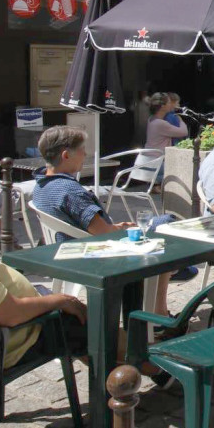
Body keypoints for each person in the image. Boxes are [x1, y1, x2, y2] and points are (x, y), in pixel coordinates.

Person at [31, 126, 176, 316]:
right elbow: (104, 234)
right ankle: (158, 315)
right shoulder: (70, 191)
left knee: (159, 227)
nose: (85, 154)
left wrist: (117, 226)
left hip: (68, 250)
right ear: (66, 155)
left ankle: (163, 296)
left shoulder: (41, 184)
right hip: (92, 255)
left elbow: (94, 227)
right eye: (82, 149)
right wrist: (119, 229)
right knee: (165, 225)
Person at [0, 261, 87, 370]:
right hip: (25, 333)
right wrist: (60, 301)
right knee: (87, 322)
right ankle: (107, 381)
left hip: (21, 315)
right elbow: (11, 314)